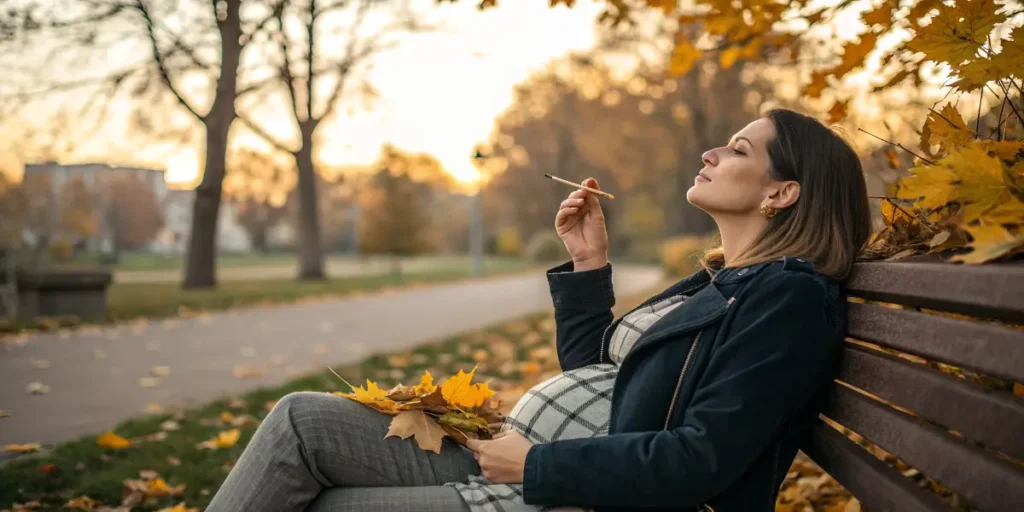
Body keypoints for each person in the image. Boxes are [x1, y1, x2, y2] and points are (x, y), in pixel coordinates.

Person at [207, 108, 872, 512]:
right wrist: (588, 265)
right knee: (301, 421)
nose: (712, 153)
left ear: (782, 193)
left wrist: (535, 467)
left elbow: (699, 462)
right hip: (525, 463)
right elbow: (606, 376)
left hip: (572, 493)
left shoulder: (787, 298)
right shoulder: (722, 280)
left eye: (738, 150)